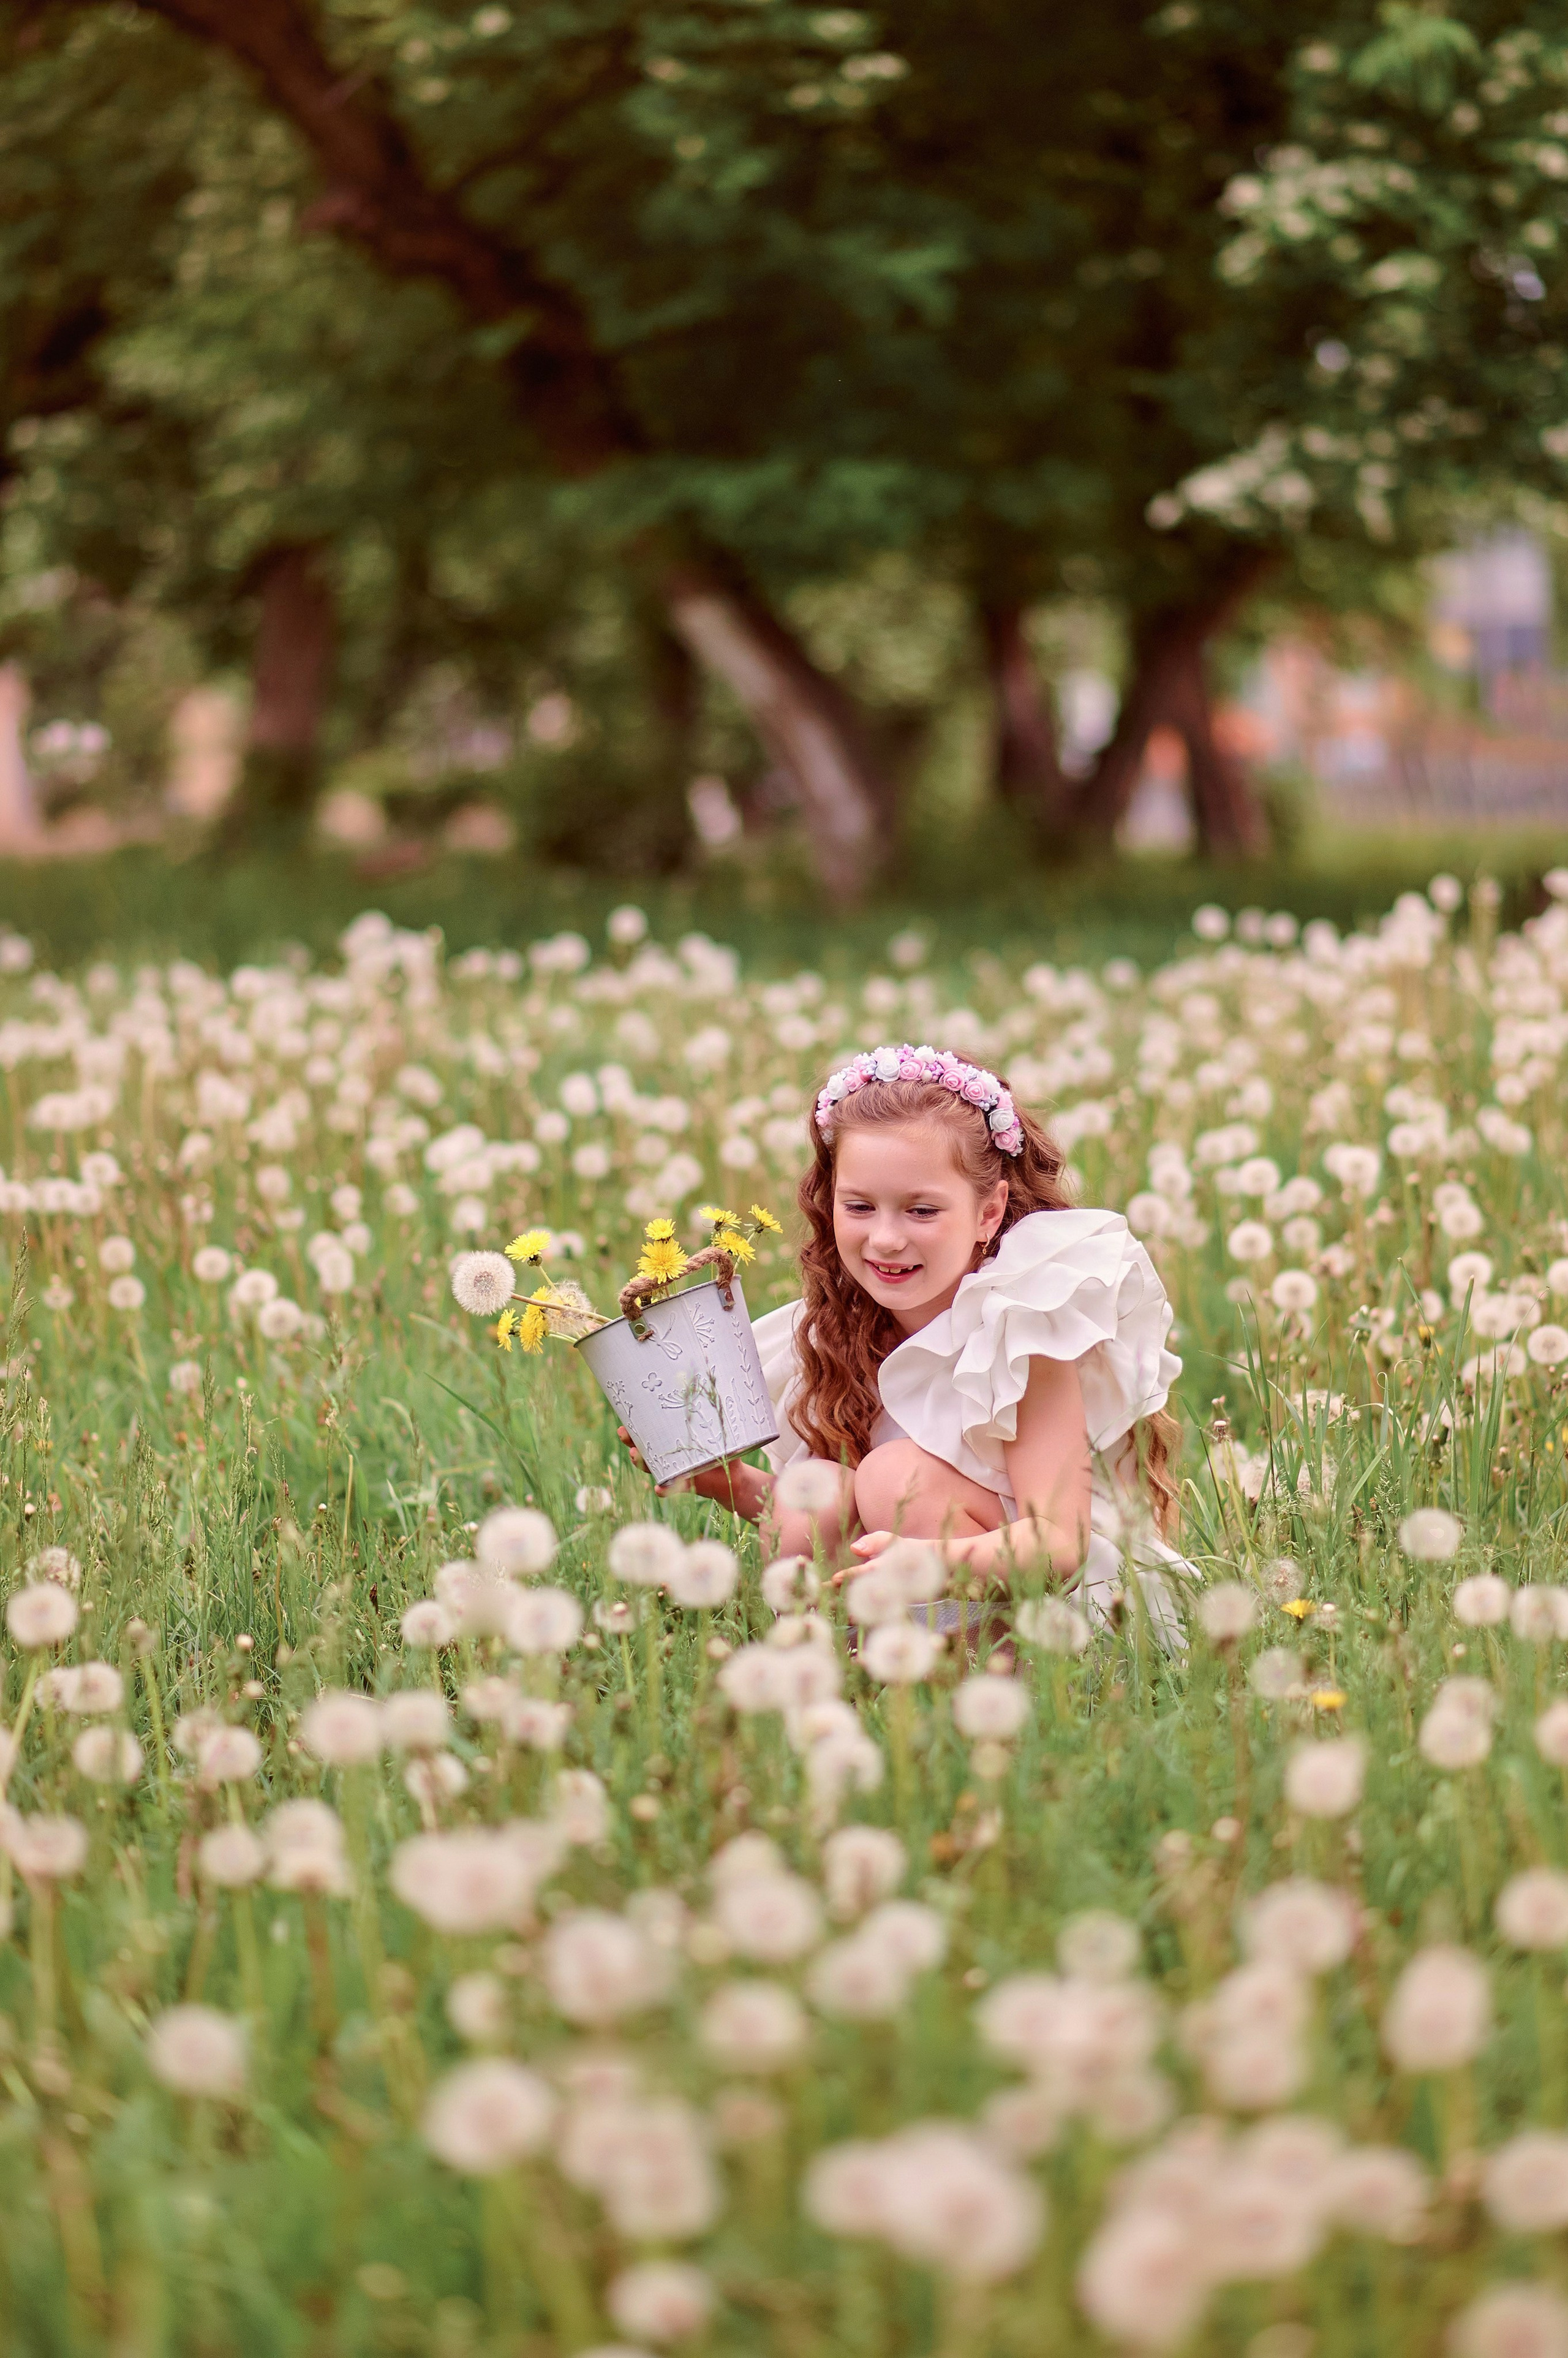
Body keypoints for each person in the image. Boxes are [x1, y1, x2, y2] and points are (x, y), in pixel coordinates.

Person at [630, 1043, 1196, 1639]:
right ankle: (829, 1663)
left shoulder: (1024, 1328)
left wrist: (933, 1562)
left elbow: (1060, 1543)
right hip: (923, 1587)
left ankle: (981, 1685)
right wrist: (726, 1483)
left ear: (988, 1212)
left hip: (1075, 1616)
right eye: (859, 1207)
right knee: (817, 1491)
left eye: (921, 1211)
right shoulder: (837, 1330)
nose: (885, 1239)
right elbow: (836, 1523)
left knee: (892, 1477)